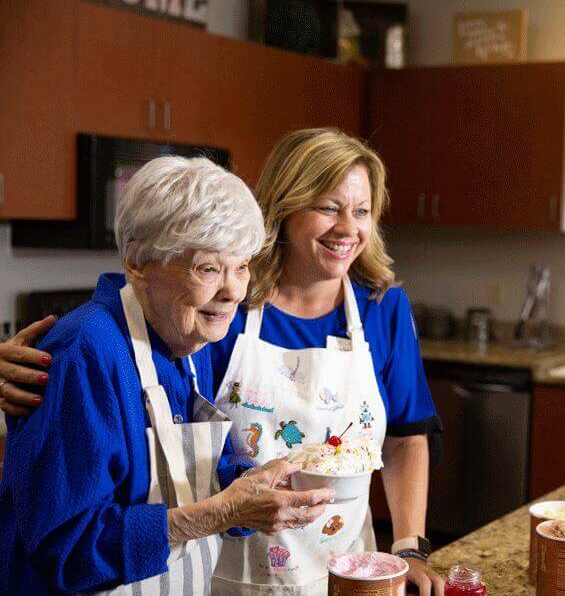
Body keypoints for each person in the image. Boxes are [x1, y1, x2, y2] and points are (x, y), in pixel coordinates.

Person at [1, 128, 444, 595]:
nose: (232, 290)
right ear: (138, 265)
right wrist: (224, 511)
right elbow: (64, 550)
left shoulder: (185, 339)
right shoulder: (101, 349)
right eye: (209, 268)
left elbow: (193, 468)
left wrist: (251, 487)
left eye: (241, 266)